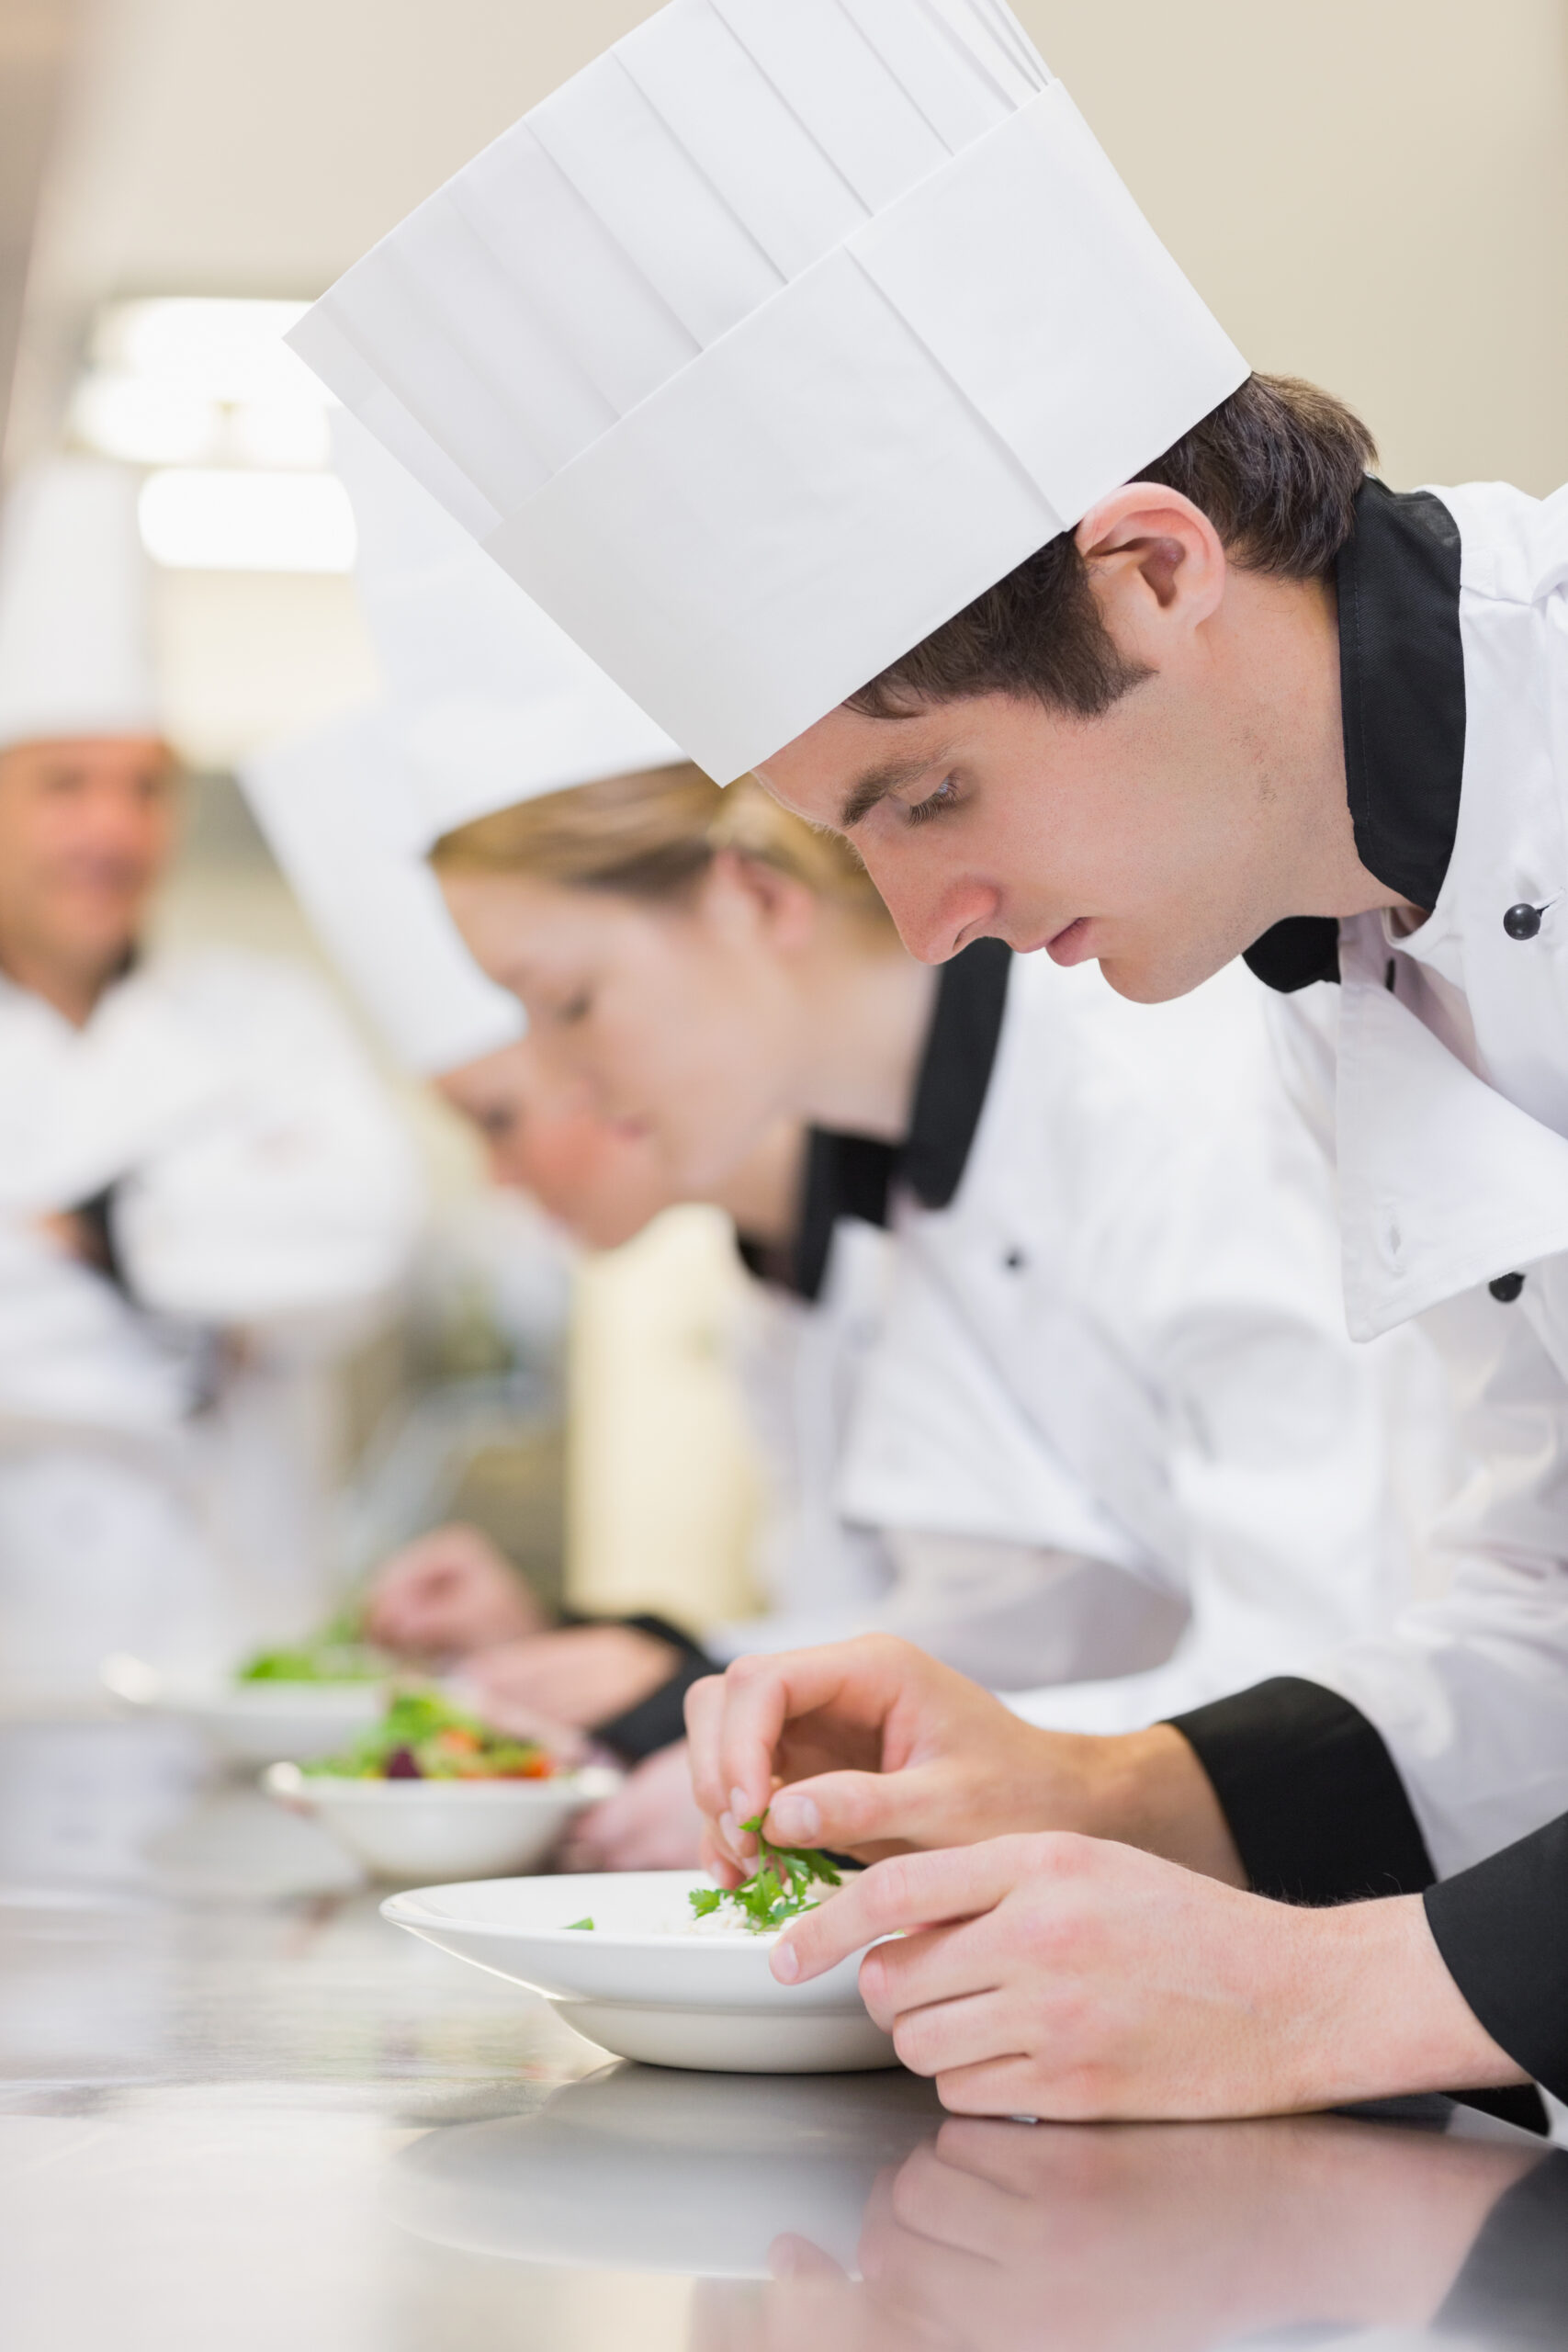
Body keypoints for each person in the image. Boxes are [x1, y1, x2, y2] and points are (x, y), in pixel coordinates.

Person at [290, 6, 1568, 2117]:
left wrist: (1337, 1998)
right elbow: (1536, 1626)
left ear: (1148, 571)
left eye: (924, 794)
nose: (926, 924)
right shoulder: (1328, 956)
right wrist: (1102, 1778)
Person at [412, 763, 1446, 1865]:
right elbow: (1036, 1607)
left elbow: (1319, 1654)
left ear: (758, 896)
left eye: (570, 1003)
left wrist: (868, 1781)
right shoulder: (906, 1178)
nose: (564, 1078)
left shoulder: (1161, 1100)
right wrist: (716, 1706)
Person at [0, 457, 420, 1707]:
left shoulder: (265, 1019)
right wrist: (206, 1319)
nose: (114, 832)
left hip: (233, 1646)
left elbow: (368, 1240)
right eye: (65, 785)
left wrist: (91, 1236)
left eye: (145, 787)